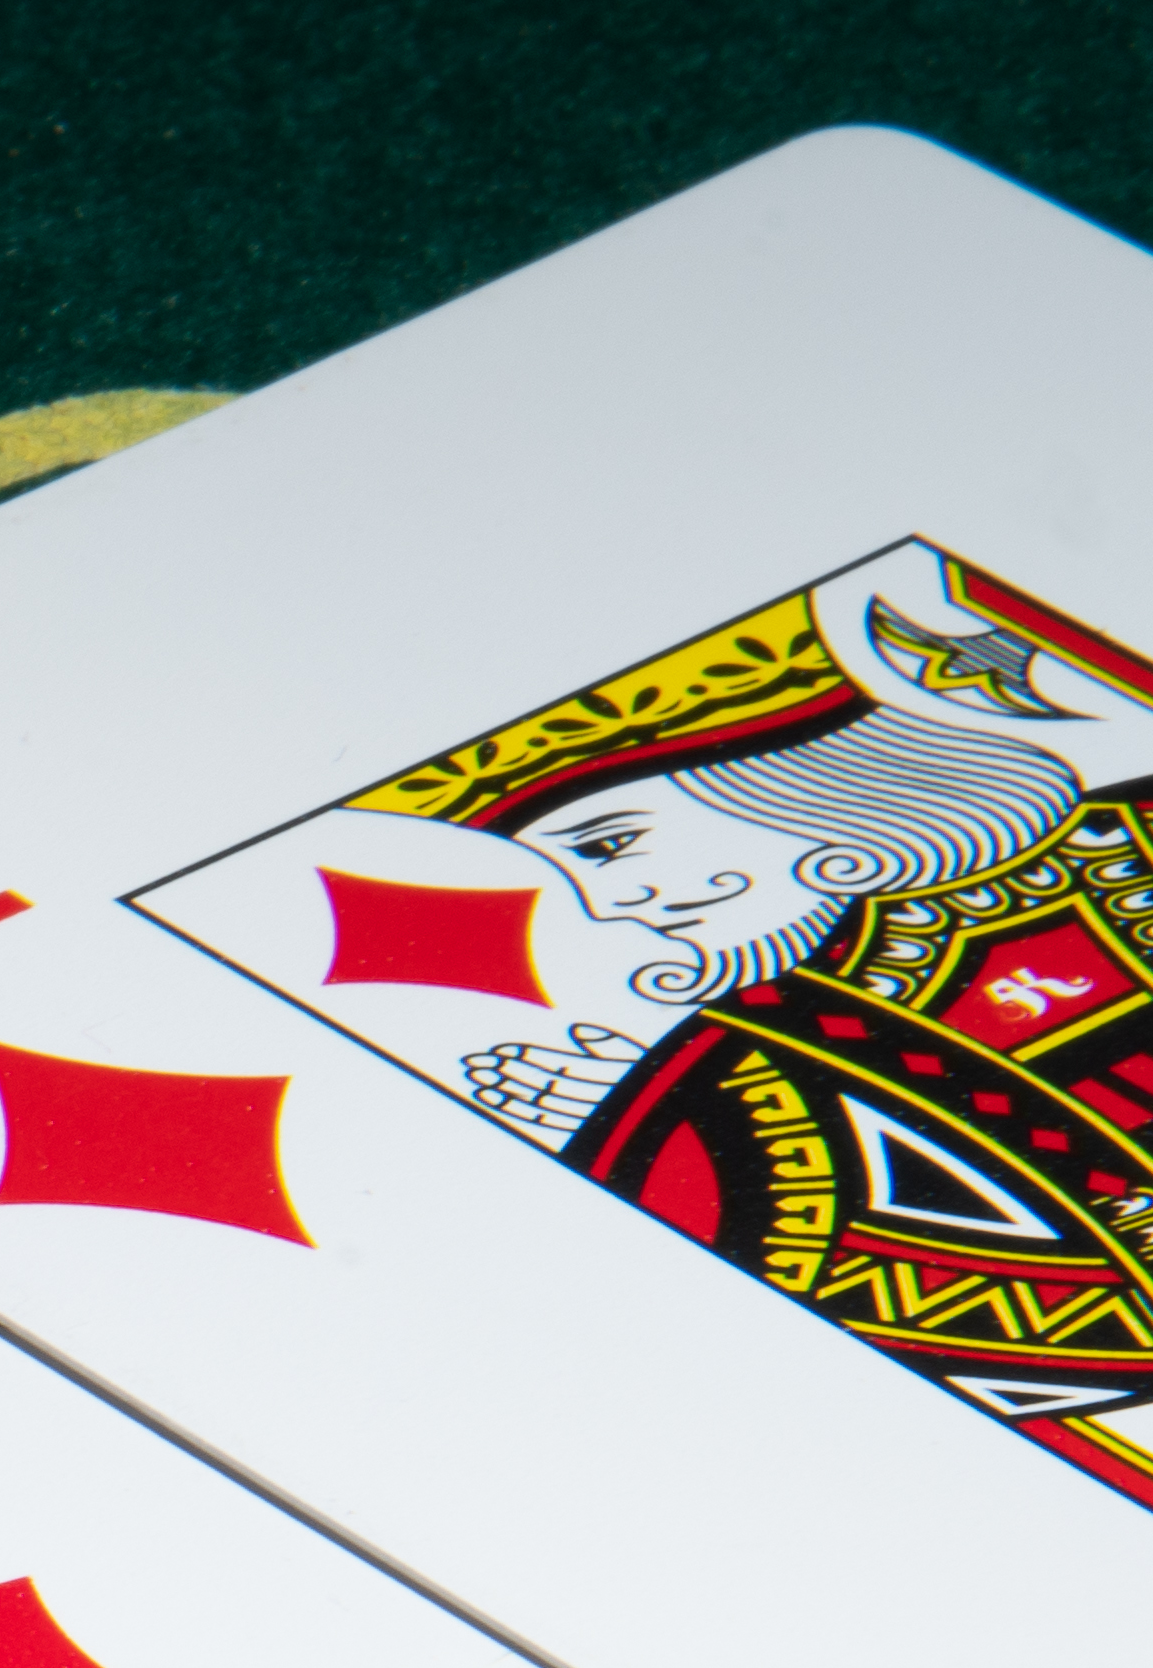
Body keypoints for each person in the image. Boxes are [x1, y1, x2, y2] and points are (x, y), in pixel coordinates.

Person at [354, 546, 1153, 1510]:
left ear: (807, 784)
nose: (612, 905)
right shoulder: (792, 1030)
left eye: (612, 845)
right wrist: (666, 1124)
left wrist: (693, 1114)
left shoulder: (1111, 867)